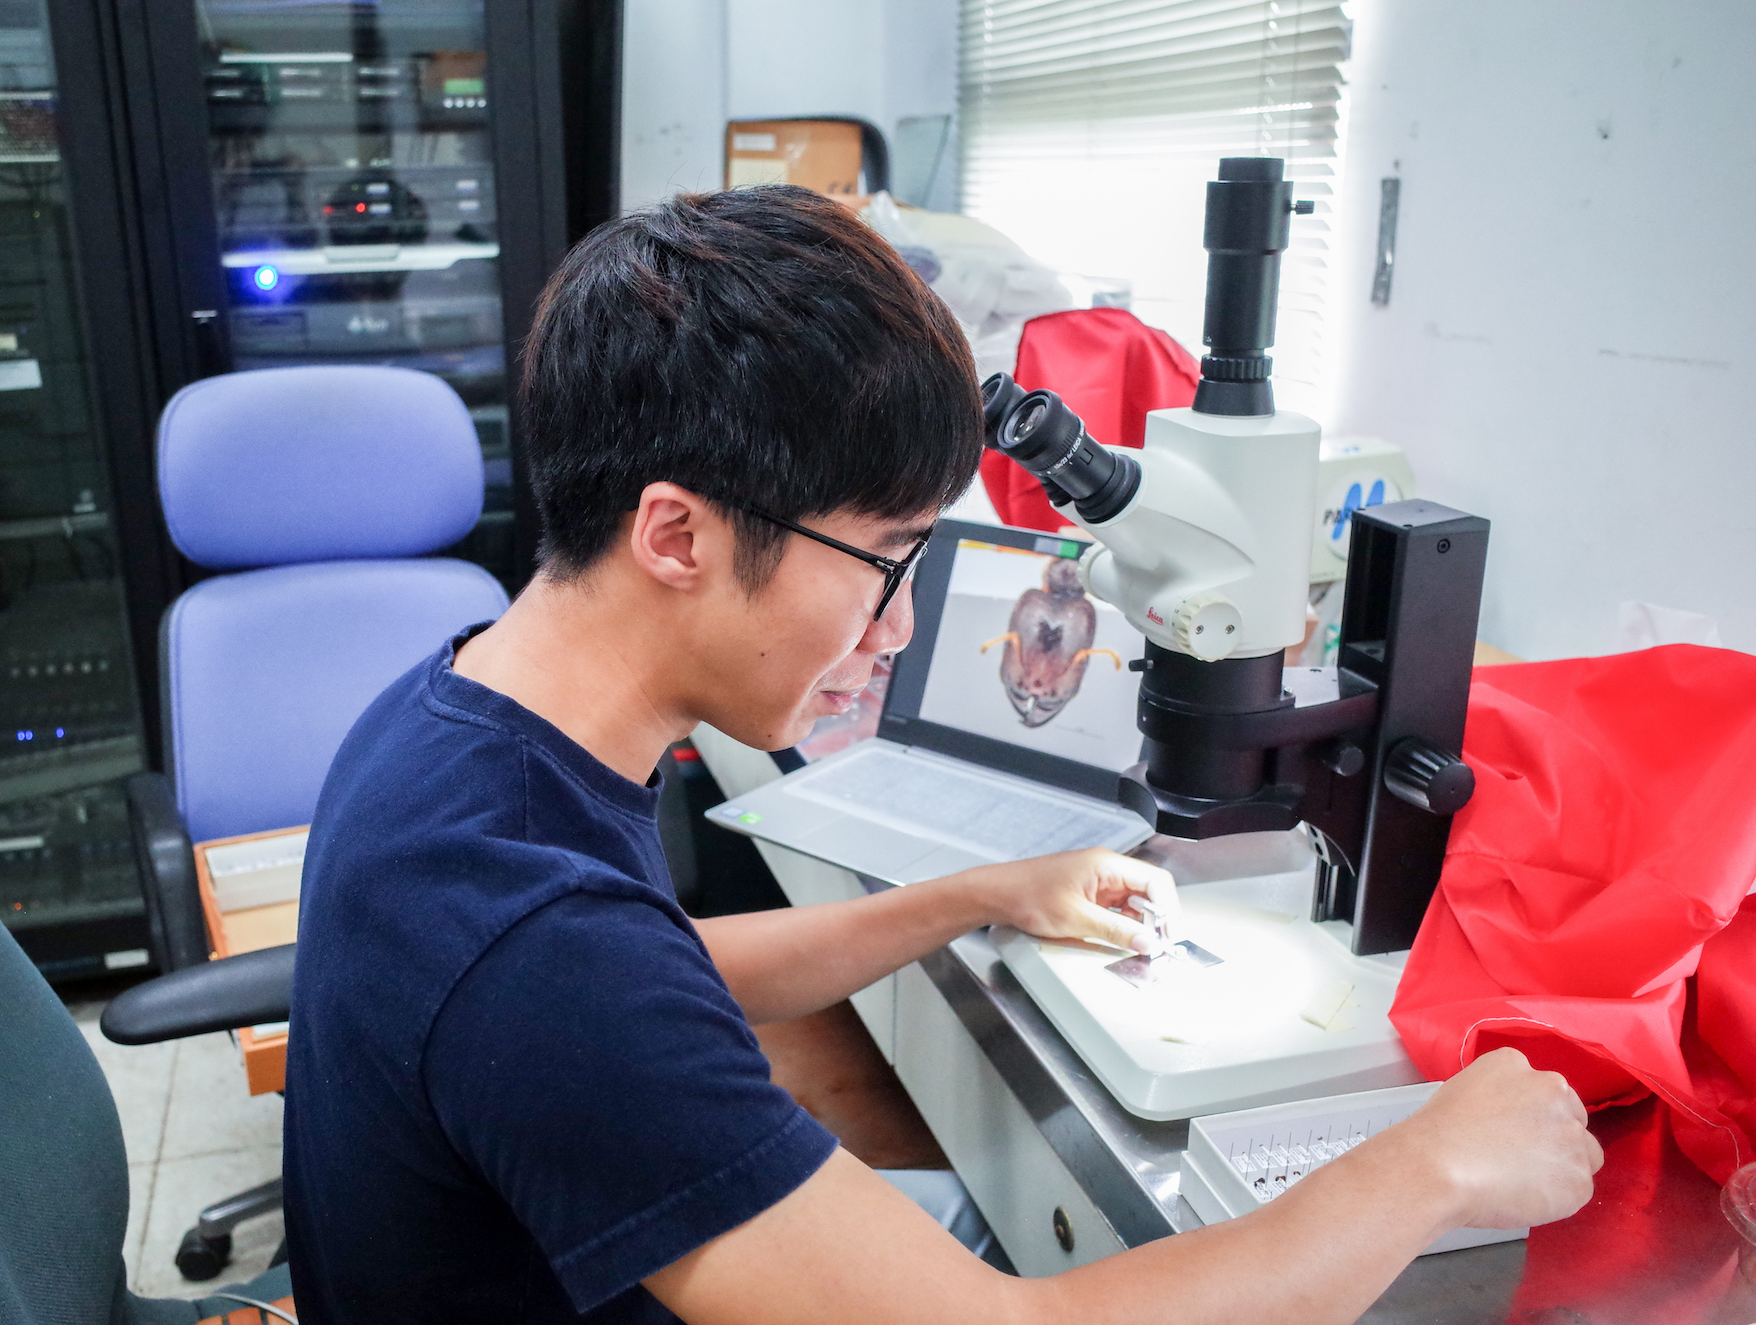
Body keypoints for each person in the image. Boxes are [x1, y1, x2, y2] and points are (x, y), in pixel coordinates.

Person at [281, 185, 1601, 1325]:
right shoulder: (536, 947)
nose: (899, 626)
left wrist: (982, 895)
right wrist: (1428, 1166)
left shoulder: (460, 715)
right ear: (676, 536)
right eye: (885, 559)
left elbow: (656, 965)